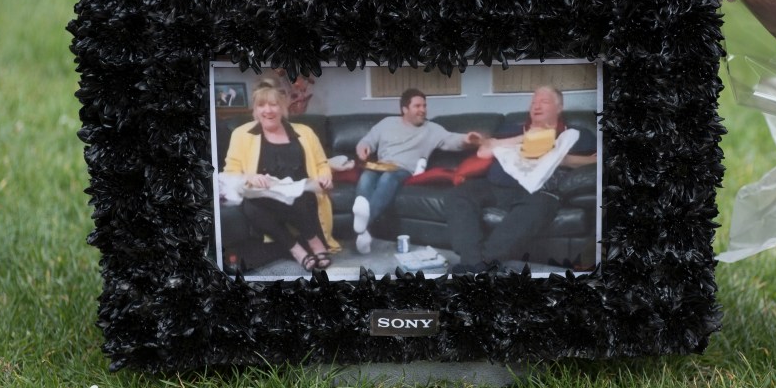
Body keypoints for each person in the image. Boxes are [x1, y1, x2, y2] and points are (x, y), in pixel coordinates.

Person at [445, 86, 597, 273]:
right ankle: (475, 263)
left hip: (537, 192)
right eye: (533, 101)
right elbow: (484, 151)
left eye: (544, 101)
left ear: (559, 108)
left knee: (542, 205)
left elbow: (595, 161)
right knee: (459, 194)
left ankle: (478, 263)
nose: (536, 106)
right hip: (495, 185)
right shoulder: (513, 129)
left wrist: (559, 157)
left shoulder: (574, 134)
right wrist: (525, 138)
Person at [223, 79, 338, 272]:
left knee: (297, 195)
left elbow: (322, 164)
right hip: (264, 197)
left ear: (283, 106)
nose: (267, 110)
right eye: (261, 105)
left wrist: (325, 176)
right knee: (251, 206)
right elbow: (230, 171)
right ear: (255, 109)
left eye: (273, 104)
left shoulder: (305, 132)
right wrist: (249, 177)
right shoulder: (241, 134)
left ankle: (315, 243)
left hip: (302, 198)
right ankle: (297, 250)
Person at [352, 88, 482, 253]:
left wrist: (466, 139)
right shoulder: (386, 123)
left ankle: (360, 228)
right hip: (381, 164)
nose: (423, 110)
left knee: (387, 179)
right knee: (366, 178)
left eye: (424, 106)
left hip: (403, 170)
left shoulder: (432, 129)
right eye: (417, 106)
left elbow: (451, 140)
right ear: (404, 109)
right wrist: (363, 148)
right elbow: (367, 141)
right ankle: (362, 228)